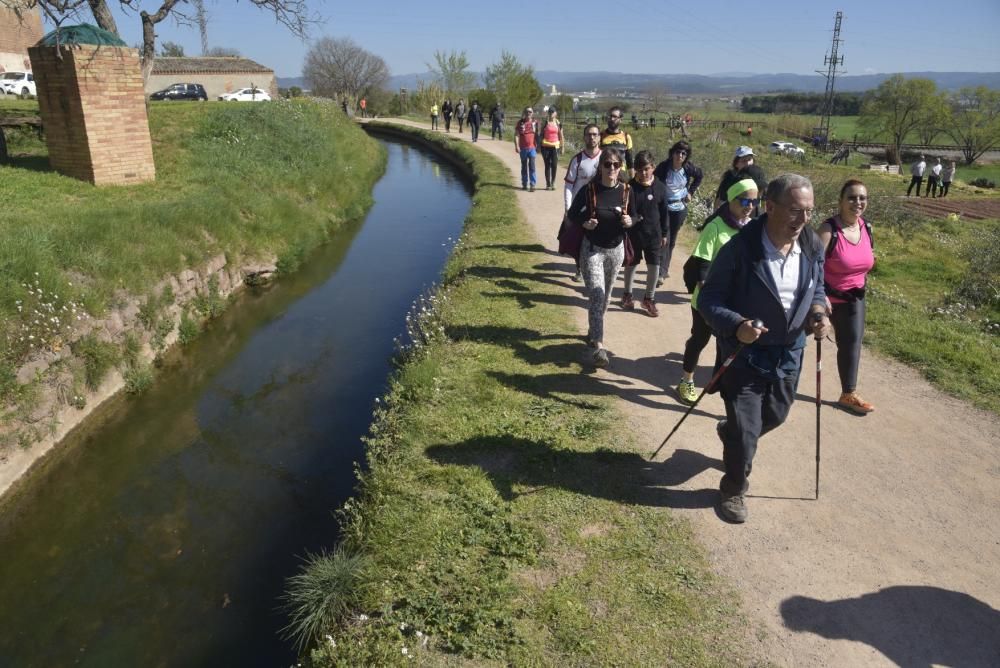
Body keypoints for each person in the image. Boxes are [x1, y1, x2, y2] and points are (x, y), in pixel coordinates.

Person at [698, 173, 832, 523]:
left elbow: (817, 288)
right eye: (795, 210)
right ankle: (733, 488)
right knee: (746, 432)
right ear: (769, 207)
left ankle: (731, 433)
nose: (803, 219)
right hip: (744, 354)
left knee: (775, 416)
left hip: (789, 352)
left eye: (809, 211)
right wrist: (737, 325)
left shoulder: (812, 246)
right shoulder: (740, 249)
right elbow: (709, 300)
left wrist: (819, 312)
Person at [676, 178, 758, 405]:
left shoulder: (752, 228)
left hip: (735, 301)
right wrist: (706, 291)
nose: (750, 206)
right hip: (708, 299)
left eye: (754, 201)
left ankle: (720, 382)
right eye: (745, 201)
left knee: (729, 345)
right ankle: (686, 380)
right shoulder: (715, 226)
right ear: (731, 200)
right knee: (699, 339)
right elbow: (702, 260)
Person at [567, 148, 635, 367]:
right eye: (607, 164)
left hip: (616, 251)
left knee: (605, 299)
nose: (612, 168)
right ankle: (599, 347)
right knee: (597, 295)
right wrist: (585, 223)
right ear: (601, 167)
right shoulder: (590, 190)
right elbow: (572, 214)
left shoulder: (626, 191)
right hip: (592, 250)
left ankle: (593, 331)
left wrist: (630, 221)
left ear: (620, 167)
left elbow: (636, 215)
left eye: (616, 164)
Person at [818, 179, 876, 415]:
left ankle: (848, 394)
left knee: (851, 344)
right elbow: (811, 267)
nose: (857, 202)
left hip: (853, 298)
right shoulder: (828, 230)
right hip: (822, 299)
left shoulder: (866, 227)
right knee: (792, 339)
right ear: (840, 201)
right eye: (851, 197)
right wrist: (820, 297)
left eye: (862, 198)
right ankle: (769, 380)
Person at [622, 151, 669, 317]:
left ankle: (649, 299)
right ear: (635, 169)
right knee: (631, 264)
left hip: (654, 235)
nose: (643, 173)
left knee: (654, 266)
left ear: (653, 168)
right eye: (640, 170)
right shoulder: (630, 187)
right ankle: (627, 295)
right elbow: (627, 211)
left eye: (646, 169)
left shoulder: (660, 187)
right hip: (634, 234)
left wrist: (664, 233)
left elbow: (664, 213)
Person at [653, 140, 704, 284]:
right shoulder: (664, 167)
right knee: (665, 238)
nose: (680, 155)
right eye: (678, 152)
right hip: (665, 208)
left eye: (683, 153)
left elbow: (699, 176)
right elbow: (654, 180)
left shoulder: (688, 168)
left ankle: (665, 268)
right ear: (672, 153)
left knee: (672, 239)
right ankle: (661, 273)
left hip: (680, 208)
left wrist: (691, 192)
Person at [562, 123, 603, 281]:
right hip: (579, 209)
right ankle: (579, 269)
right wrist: (568, 208)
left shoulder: (606, 159)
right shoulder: (577, 159)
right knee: (578, 240)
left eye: (595, 134)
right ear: (584, 137)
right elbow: (568, 185)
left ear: (599, 137)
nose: (592, 137)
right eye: (588, 134)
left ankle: (596, 269)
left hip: (600, 207)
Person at [714, 146, 766, 215]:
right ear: (736, 164)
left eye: (749, 159)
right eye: (744, 161)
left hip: (754, 214)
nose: (748, 163)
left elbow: (764, 200)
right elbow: (719, 201)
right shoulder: (729, 179)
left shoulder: (757, 175)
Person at [599, 106, 634, 179]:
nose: (612, 119)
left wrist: (632, 179)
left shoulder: (626, 137)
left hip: (621, 175)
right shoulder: (600, 136)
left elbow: (630, 161)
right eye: (610, 116)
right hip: (605, 174)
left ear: (621, 119)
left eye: (615, 117)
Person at [539, 107, 565, 190]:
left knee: (554, 165)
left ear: (556, 113)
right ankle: (548, 183)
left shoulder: (558, 123)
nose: (551, 113)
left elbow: (561, 136)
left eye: (552, 112)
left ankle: (553, 182)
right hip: (545, 146)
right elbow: (541, 134)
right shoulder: (545, 123)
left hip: (555, 147)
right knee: (547, 165)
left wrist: (562, 147)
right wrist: (539, 145)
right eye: (550, 112)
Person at [514, 107, 538, 191]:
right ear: (524, 112)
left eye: (530, 111)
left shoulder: (535, 123)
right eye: (527, 111)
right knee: (524, 166)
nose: (528, 113)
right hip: (523, 148)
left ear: (532, 113)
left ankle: (532, 184)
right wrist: (516, 146)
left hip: (532, 148)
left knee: (532, 166)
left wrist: (539, 146)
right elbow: (516, 135)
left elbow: (539, 134)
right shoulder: (520, 123)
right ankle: (524, 184)